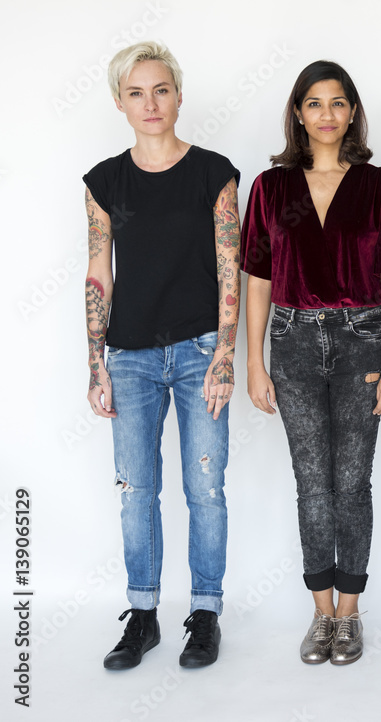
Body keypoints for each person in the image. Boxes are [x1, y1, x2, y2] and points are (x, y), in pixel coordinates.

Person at [241, 60, 381, 666]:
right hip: (291, 342)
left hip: (361, 339)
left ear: (352, 113)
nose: (327, 114)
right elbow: (260, 281)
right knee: (312, 485)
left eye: (338, 103)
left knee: (352, 483)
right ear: (298, 113)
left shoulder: (379, 187)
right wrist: (254, 361)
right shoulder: (271, 189)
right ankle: (320, 613)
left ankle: (350, 613)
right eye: (314, 104)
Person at [85, 41, 240, 669]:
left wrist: (227, 352)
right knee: (135, 491)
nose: (151, 104)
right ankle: (143, 615)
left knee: (204, 487)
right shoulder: (105, 182)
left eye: (161, 90)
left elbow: (233, 268)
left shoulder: (214, 172)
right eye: (136, 93)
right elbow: (99, 271)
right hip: (130, 357)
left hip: (202, 347)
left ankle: (204, 614)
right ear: (120, 103)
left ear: (179, 95)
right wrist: (95, 361)